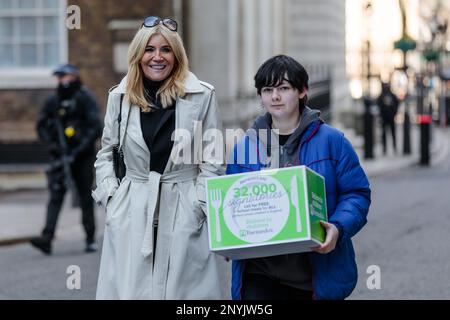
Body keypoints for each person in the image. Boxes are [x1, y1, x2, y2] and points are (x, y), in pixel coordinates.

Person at [92, 16, 228, 299]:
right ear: (138, 55)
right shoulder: (119, 97)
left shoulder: (202, 95)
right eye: (150, 49)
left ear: (176, 56)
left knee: (185, 295)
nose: (157, 57)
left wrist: (198, 205)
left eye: (166, 49)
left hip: (182, 205)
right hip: (131, 207)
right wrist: (112, 198)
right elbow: (106, 153)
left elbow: (213, 159)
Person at [226, 55, 371, 300]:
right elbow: (232, 204)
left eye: (283, 88)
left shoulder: (332, 141)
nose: (275, 97)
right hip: (258, 273)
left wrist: (337, 228)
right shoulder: (244, 147)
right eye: (267, 90)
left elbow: (356, 194)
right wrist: (230, 237)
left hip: (312, 274)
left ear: (302, 91)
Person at [31, 63, 102, 255]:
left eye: (65, 77)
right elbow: (41, 125)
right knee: (55, 195)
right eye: (59, 77)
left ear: (74, 76)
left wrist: (79, 149)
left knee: (85, 196)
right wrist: (52, 144)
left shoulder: (85, 98)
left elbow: (96, 126)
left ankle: (89, 238)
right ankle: (47, 237)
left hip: (83, 156)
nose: (63, 81)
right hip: (60, 156)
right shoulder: (53, 100)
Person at [377, 81, 399, 154]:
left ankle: (394, 147)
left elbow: (396, 103)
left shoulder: (391, 95)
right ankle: (385, 148)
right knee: (384, 134)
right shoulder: (382, 95)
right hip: (384, 118)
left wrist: (394, 113)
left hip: (391, 117)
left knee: (392, 133)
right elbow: (378, 104)